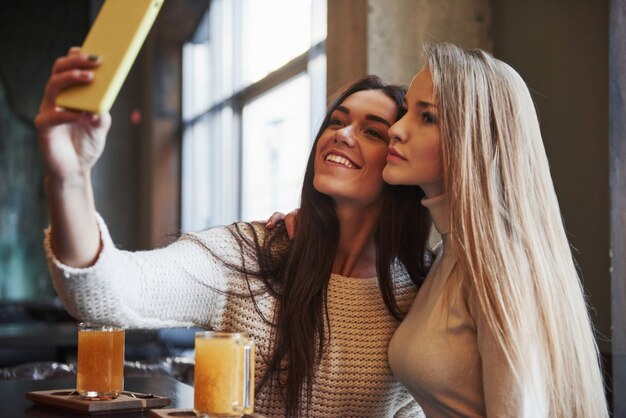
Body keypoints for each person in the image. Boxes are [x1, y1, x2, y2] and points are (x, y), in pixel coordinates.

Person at [35, 48, 432, 417]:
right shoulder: (250, 254)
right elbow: (104, 291)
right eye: (337, 121)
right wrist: (69, 176)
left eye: (372, 131)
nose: (342, 135)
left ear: (399, 160)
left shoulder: (425, 290)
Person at [383, 42, 608, 417]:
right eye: (406, 111)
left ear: (476, 139)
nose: (396, 129)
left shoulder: (500, 265)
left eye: (427, 118)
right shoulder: (446, 256)